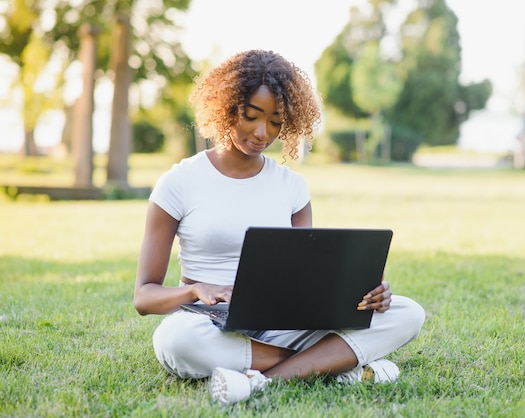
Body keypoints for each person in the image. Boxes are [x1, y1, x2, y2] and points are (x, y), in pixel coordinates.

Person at [133, 49, 426, 405]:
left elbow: (307, 278)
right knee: (175, 342)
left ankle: (262, 381)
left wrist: (365, 295)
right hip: (209, 323)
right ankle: (331, 365)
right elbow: (144, 297)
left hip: (281, 324)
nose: (262, 133)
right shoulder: (178, 183)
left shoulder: (292, 187)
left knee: (408, 313)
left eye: (275, 121)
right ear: (227, 107)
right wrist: (195, 291)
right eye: (251, 116)